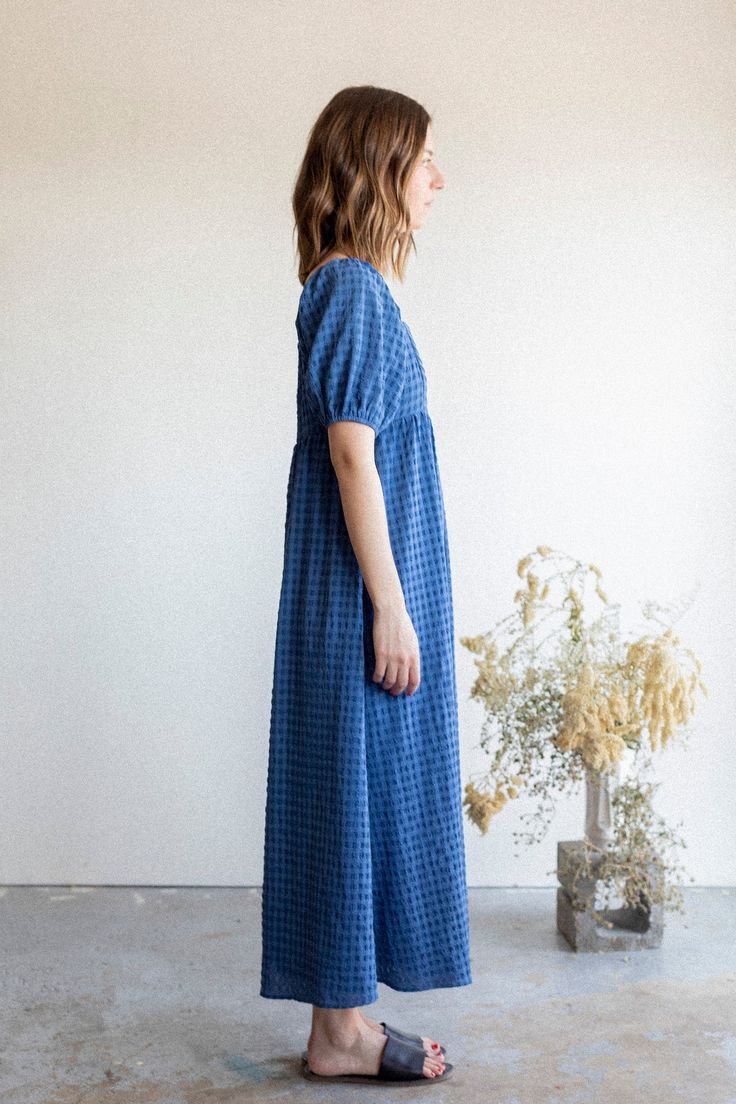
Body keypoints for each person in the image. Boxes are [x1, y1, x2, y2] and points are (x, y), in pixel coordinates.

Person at [260, 85, 472, 1085]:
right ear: (378, 169)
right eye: (424, 158)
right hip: (357, 593)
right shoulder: (348, 289)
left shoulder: (355, 289)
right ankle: (337, 1034)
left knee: (356, 795)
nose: (439, 178)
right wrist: (389, 604)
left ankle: (338, 1027)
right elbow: (352, 455)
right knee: (347, 793)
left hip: (365, 585)